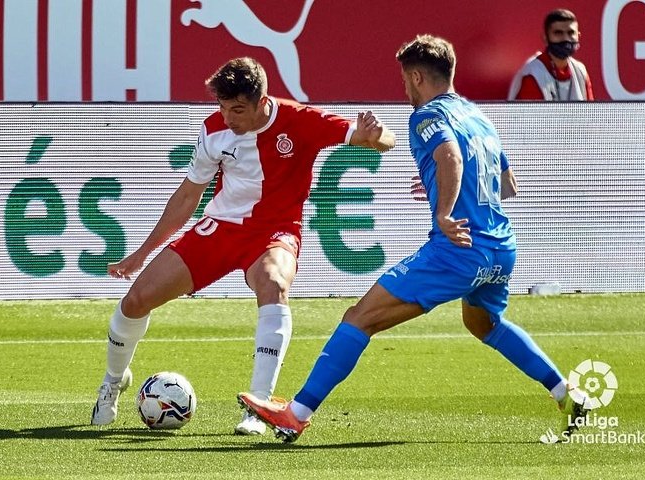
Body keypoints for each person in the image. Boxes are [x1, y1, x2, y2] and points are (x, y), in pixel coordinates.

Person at [238, 34, 591, 443]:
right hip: (500, 247)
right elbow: (506, 184)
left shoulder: (426, 116)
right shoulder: (477, 116)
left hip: (458, 250)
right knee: (485, 324)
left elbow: (451, 157)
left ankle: (296, 413)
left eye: (406, 80)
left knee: (359, 317)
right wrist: (445, 187)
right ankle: (566, 393)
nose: (405, 89)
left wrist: (444, 210)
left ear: (419, 76)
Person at [90, 57, 396, 435]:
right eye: (222, 107)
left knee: (273, 284)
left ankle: (259, 406)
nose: (228, 117)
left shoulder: (300, 120)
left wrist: (376, 135)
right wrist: (140, 253)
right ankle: (113, 381)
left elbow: (382, 140)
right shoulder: (214, 130)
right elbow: (187, 196)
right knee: (135, 302)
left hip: (276, 231)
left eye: (237, 109)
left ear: (261, 100)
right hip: (220, 228)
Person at [508, 8, 594, 101]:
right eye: (558, 33)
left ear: (578, 36)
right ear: (545, 38)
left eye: (571, 33)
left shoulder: (580, 71)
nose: (566, 39)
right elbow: (531, 115)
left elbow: (590, 113)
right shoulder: (533, 74)